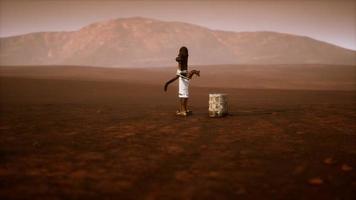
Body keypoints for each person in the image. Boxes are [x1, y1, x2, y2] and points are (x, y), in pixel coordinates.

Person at [164, 46, 200, 116]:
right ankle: (184, 109)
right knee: (185, 93)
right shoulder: (185, 58)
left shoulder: (181, 59)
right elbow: (178, 60)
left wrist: (167, 83)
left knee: (182, 94)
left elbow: (178, 60)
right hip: (184, 74)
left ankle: (183, 111)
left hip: (182, 75)